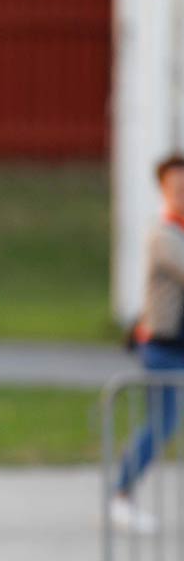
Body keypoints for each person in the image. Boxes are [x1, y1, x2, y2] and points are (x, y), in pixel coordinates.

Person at [112, 153, 184, 534]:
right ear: (164, 191)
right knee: (161, 423)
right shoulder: (163, 235)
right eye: (177, 188)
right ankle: (121, 494)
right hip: (164, 346)